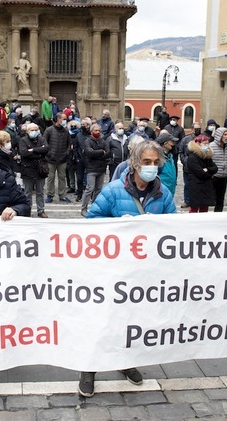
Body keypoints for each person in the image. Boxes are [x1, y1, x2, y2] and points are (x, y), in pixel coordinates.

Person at [79, 140, 177, 397]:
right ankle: (88, 370)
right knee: (101, 320)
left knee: (132, 320)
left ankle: (125, 362)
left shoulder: (163, 194)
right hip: (112, 270)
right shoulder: (112, 192)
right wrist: (115, 226)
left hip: (143, 272)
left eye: (156, 163)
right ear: (134, 163)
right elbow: (92, 223)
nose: (152, 167)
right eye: (147, 162)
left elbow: (176, 230)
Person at [19, 123, 49, 218]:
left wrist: (32, 150)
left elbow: (46, 149)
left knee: (40, 191)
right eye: (32, 130)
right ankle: (27, 210)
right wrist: (38, 151)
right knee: (27, 192)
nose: (34, 131)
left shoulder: (42, 139)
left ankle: (41, 210)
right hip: (27, 169)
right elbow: (24, 153)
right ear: (27, 131)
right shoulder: (23, 140)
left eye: (36, 129)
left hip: (40, 169)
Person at [80, 123, 110, 217]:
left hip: (101, 168)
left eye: (99, 131)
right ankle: (83, 208)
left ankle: (94, 207)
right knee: (89, 188)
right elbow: (89, 153)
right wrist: (101, 152)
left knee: (98, 190)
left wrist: (97, 153)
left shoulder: (103, 141)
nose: (98, 132)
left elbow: (108, 153)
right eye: (96, 130)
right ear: (92, 131)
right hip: (91, 168)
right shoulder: (88, 141)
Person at [184, 134, 217, 213]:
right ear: (198, 143)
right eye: (204, 143)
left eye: (207, 143)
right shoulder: (192, 157)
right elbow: (201, 173)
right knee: (194, 209)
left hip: (206, 187)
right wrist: (210, 173)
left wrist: (208, 169)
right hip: (196, 187)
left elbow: (215, 168)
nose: (207, 145)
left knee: (204, 209)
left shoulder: (207, 156)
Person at [44, 113, 72, 204]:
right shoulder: (49, 130)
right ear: (58, 119)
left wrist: (66, 153)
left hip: (62, 159)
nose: (65, 121)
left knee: (62, 177)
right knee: (50, 178)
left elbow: (69, 144)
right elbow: (44, 142)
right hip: (51, 159)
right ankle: (50, 195)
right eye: (63, 119)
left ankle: (62, 195)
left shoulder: (66, 131)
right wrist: (49, 153)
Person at [209, 126, 227, 212]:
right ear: (219, 135)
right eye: (224, 135)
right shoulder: (211, 146)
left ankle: (218, 213)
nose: (226, 136)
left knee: (220, 199)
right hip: (214, 176)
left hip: (224, 176)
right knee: (210, 198)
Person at [156, 130, 178, 197]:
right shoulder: (158, 157)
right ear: (165, 144)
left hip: (170, 190)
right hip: (161, 192)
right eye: (172, 142)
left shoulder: (169, 156)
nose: (173, 144)